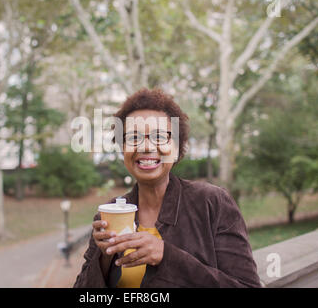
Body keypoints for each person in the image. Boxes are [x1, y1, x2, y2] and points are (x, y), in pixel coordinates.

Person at [74, 88, 261, 288]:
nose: (146, 147)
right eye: (133, 138)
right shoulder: (110, 214)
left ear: (177, 147)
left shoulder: (212, 203)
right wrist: (103, 259)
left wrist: (166, 256)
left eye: (160, 136)